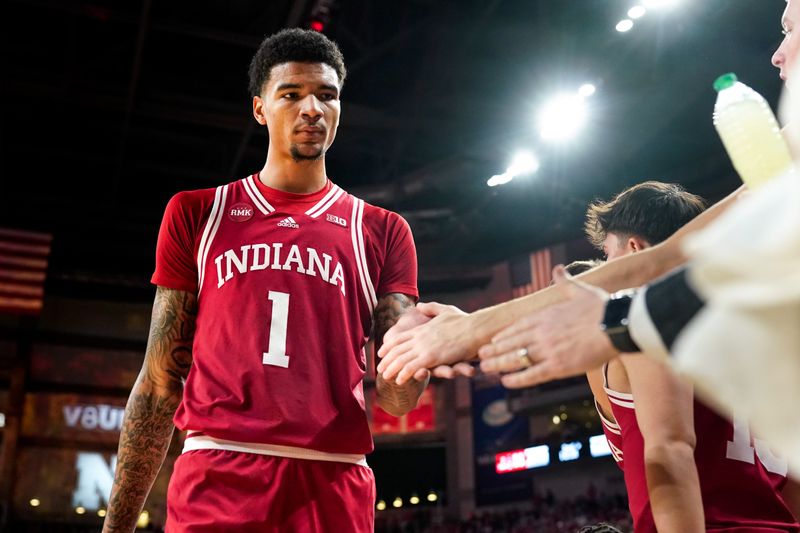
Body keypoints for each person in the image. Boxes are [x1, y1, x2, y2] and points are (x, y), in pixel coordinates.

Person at [102, 29, 431, 533]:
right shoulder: (198, 213)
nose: (312, 109)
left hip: (334, 475)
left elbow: (395, 399)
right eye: (292, 94)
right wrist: (117, 526)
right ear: (260, 109)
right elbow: (160, 382)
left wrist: (421, 356)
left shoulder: (384, 230)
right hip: (218, 467)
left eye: (327, 95)